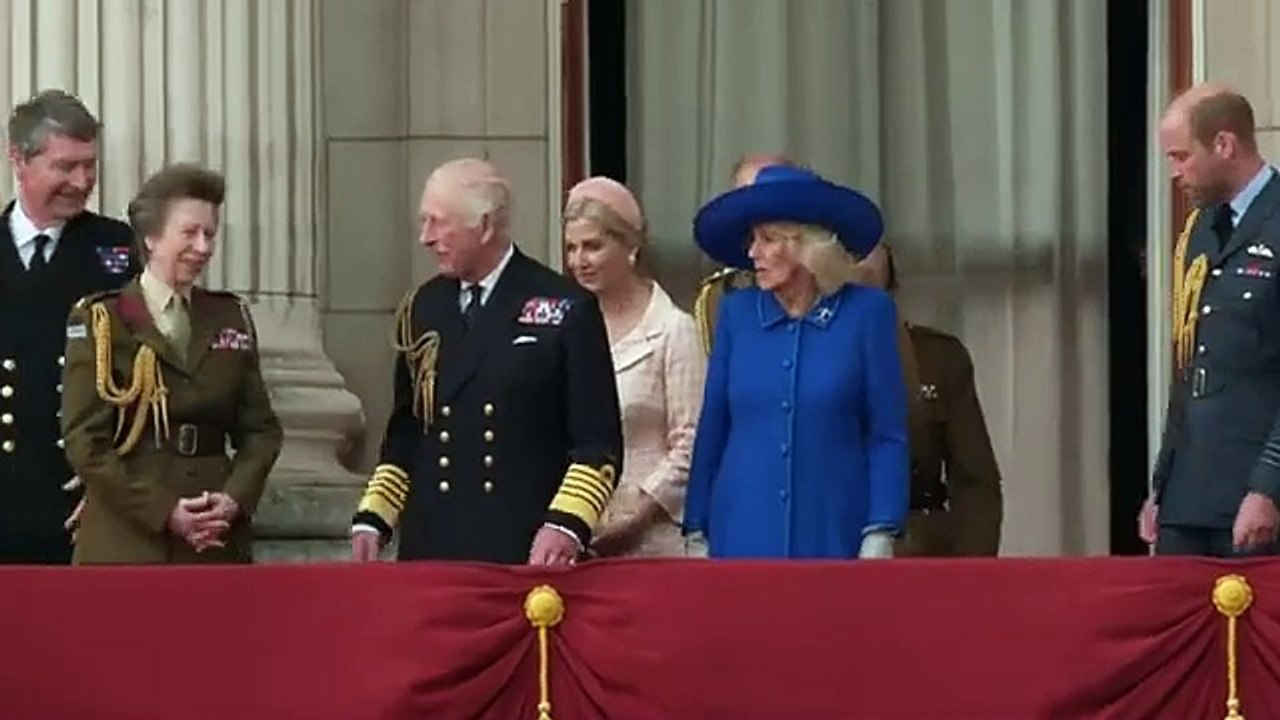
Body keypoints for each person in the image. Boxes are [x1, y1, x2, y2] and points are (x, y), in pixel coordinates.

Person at [351, 158, 623, 566]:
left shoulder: (564, 307)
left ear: (486, 225)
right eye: (423, 221)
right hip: (431, 547)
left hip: (519, 546)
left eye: (439, 223)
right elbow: (406, 432)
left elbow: (597, 444)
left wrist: (565, 524)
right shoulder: (423, 308)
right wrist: (374, 517)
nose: (425, 237)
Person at [60, 163, 283, 564]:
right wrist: (164, 512)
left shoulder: (229, 318)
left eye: (210, 234)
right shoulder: (102, 320)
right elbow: (85, 441)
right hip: (127, 540)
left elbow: (262, 431)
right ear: (151, 237)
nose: (203, 247)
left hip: (214, 540)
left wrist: (233, 499)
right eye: (190, 233)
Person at [684, 164, 909, 559]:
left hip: (835, 529)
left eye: (768, 239)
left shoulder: (867, 314)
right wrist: (696, 528)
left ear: (809, 247)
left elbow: (886, 432)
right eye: (752, 239)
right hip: (742, 529)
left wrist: (881, 529)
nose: (753, 252)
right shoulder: (737, 315)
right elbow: (714, 428)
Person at [0, 89, 138, 564]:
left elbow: (152, 382)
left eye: (90, 165)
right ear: (18, 159)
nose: (82, 181)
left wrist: (117, 490)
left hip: (83, 503)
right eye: (65, 166)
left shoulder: (119, 252)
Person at [1143, 84, 1280, 556]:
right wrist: (1163, 484)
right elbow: (1190, 361)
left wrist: (1269, 487)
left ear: (1224, 144)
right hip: (1191, 495)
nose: (1175, 172)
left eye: (1182, 157)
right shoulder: (1201, 229)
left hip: (1255, 496)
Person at [562, 176, 705, 557]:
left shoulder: (674, 330)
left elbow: (690, 443)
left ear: (630, 247)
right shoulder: (564, 327)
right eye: (571, 248)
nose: (579, 261)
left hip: (652, 542)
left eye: (593, 246)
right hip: (575, 534)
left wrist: (637, 516)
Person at [859, 244, 1004, 556]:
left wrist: (971, 579)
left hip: (915, 551)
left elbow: (975, 485)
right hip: (820, 548)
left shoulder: (936, 357)